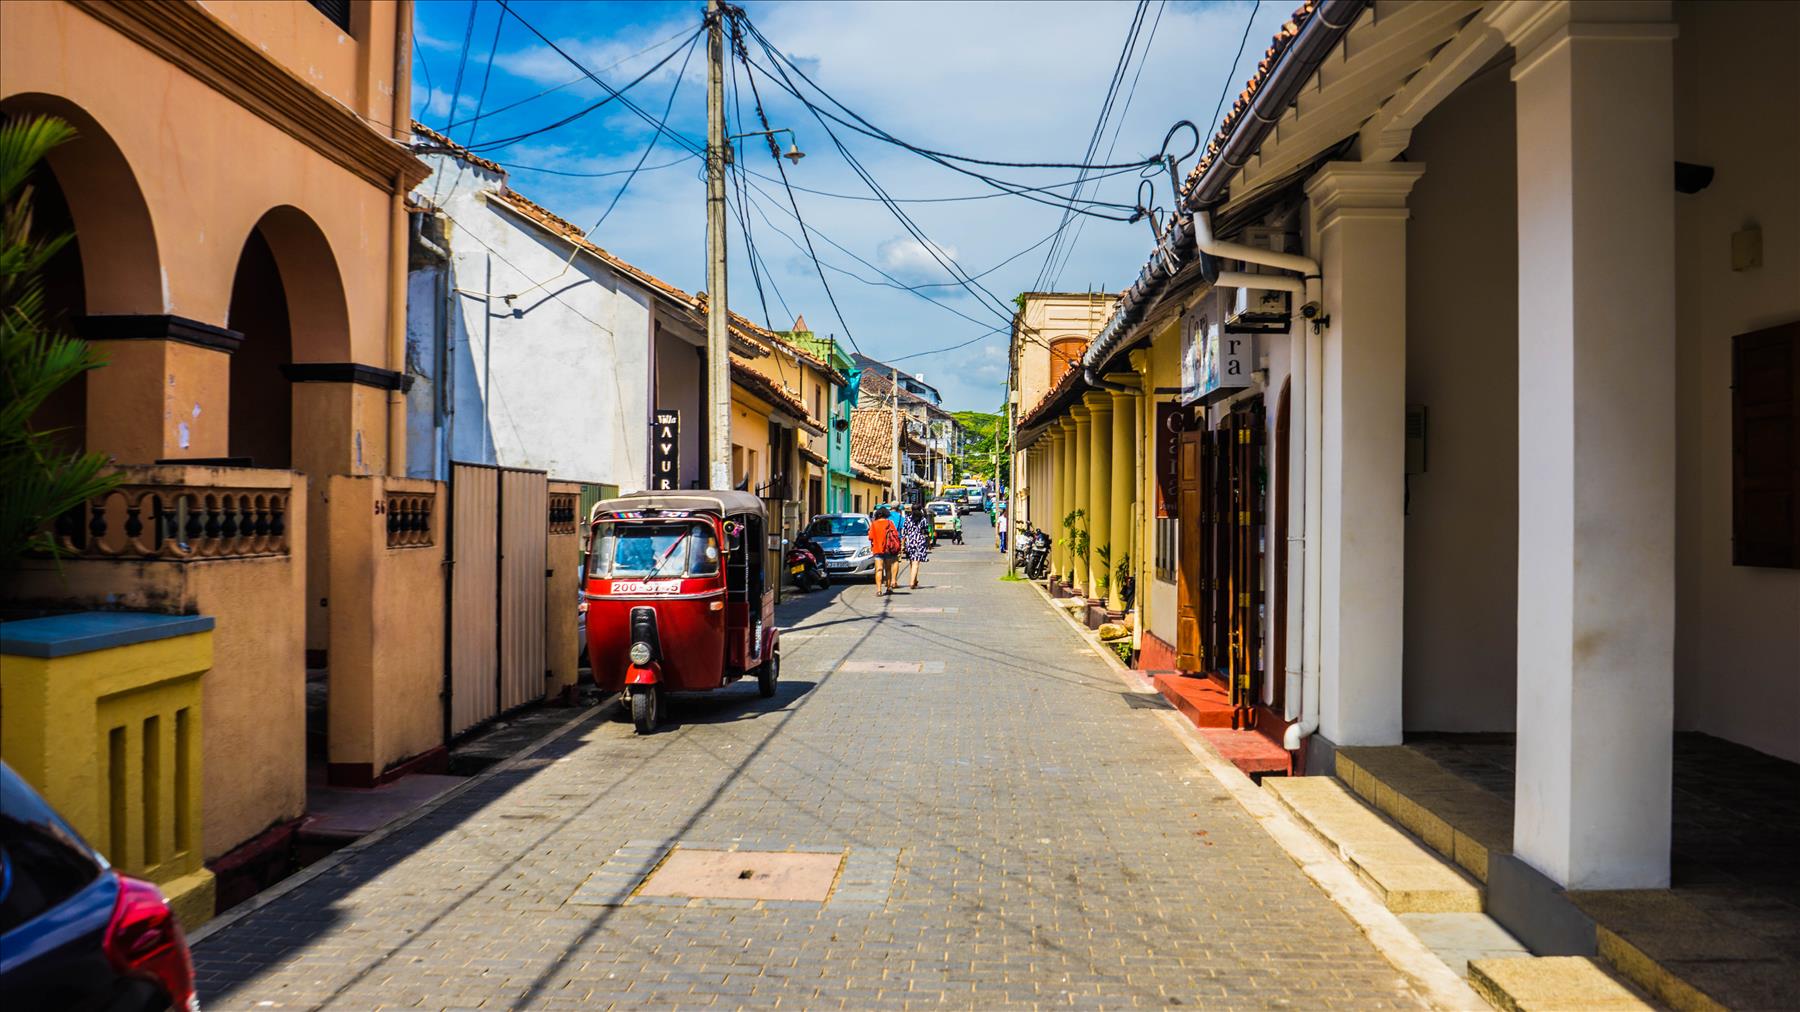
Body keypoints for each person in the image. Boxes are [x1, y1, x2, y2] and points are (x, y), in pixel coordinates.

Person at [867, 507, 901, 596]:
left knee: (879, 569)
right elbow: (896, 535)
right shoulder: (890, 523)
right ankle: (888, 588)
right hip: (888, 549)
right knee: (888, 569)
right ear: (886, 514)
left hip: (877, 549)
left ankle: (879, 590)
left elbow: (870, 537)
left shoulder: (874, 524)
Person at [901, 504, 931, 589]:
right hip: (919, 542)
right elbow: (926, 532)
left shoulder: (907, 519)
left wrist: (902, 545)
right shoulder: (923, 519)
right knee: (916, 562)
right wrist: (928, 543)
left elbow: (904, 533)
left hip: (910, 542)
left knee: (912, 562)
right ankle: (912, 582)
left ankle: (914, 580)